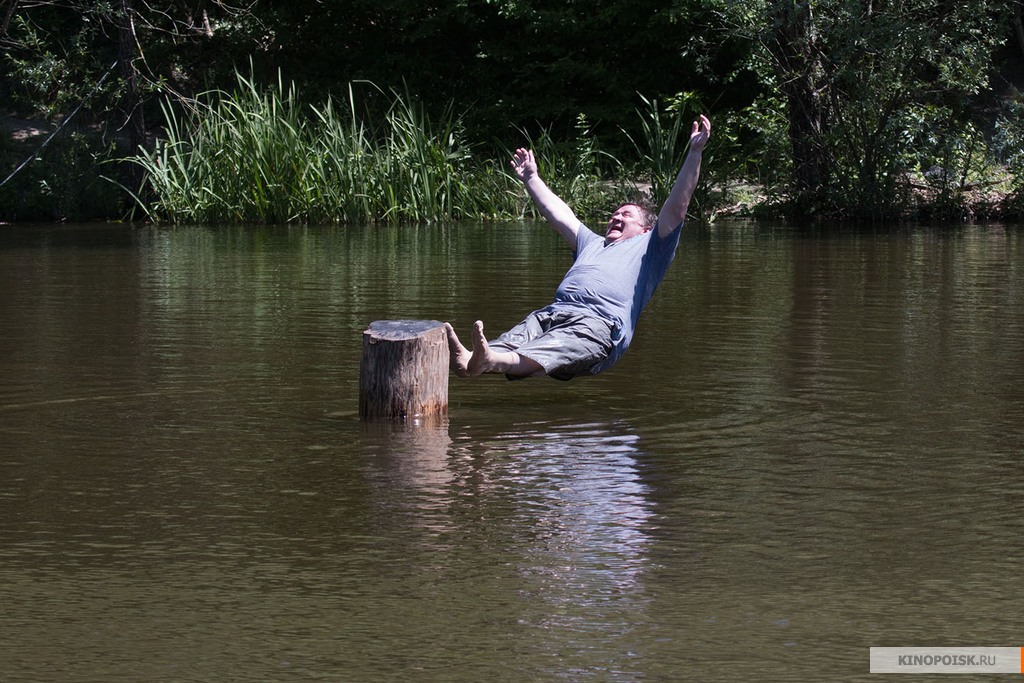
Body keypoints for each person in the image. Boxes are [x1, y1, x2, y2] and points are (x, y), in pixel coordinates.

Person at [445, 114, 711, 380]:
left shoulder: (652, 247)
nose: (616, 217)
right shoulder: (592, 243)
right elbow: (561, 215)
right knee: (521, 333)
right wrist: (530, 178)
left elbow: (678, 206)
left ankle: (491, 360)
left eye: (626, 215)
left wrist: (695, 152)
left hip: (600, 325)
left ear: (646, 229)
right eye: (614, 214)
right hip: (553, 313)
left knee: (552, 347)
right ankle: (472, 360)